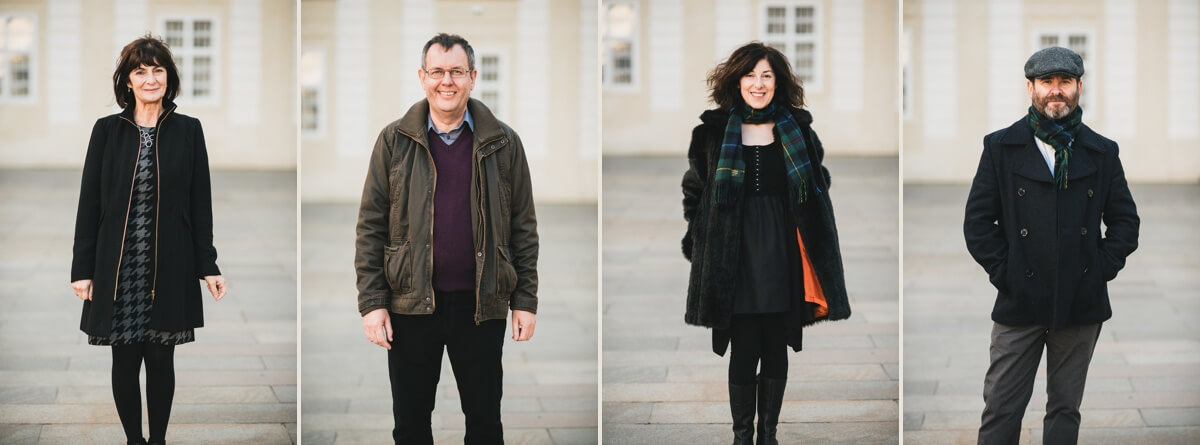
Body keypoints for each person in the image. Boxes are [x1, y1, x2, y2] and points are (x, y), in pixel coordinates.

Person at [355, 33, 539, 445]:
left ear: (473, 77)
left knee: (485, 423)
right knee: (411, 424)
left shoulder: (504, 143)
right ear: (422, 78)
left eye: (456, 71)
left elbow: (523, 226)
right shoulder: (393, 141)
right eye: (437, 71)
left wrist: (524, 300)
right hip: (410, 305)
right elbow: (370, 225)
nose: (447, 81)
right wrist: (373, 304)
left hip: (481, 305)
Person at [964, 46, 1139, 445]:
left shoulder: (1102, 151)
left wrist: (1097, 269)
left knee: (1065, 409)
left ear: (1079, 87)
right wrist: (1006, 273)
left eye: (1064, 82)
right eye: (1047, 82)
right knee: (1001, 407)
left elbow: (1126, 223)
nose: (1055, 91)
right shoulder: (1000, 146)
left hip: (1080, 300)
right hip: (1020, 300)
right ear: (1030, 87)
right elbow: (977, 223)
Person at [681, 42, 852, 445]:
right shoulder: (712, 132)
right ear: (736, 80)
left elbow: (818, 182)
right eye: (750, 75)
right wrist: (704, 235)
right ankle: (743, 435)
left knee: (776, 344)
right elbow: (695, 190)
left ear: (779, 82)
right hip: (732, 255)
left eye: (767, 76)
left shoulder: (798, 128)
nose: (758, 84)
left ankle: (768, 435)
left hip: (782, 252)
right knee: (743, 346)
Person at [70, 34, 227, 445]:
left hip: (169, 262)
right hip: (118, 266)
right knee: (124, 360)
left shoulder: (189, 131)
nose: (150, 78)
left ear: (168, 77)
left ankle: (156, 440)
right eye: (140, 71)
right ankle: (134, 441)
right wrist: (82, 269)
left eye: (157, 69)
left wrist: (207, 264)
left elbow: (200, 203)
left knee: (160, 358)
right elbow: (89, 204)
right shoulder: (107, 131)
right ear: (128, 82)